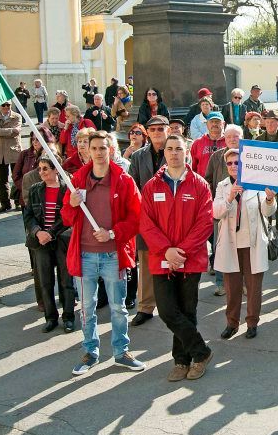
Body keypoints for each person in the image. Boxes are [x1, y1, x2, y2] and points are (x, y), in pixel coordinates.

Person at [62, 131, 145, 375]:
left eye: (103, 148)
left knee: (118, 307)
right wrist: (72, 204)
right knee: (87, 308)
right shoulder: (78, 180)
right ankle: (90, 352)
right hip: (84, 256)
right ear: (87, 151)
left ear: (111, 150)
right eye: (94, 148)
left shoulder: (124, 181)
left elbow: (136, 218)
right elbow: (66, 218)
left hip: (112, 256)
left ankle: (121, 352)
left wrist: (112, 233)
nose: (98, 152)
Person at [139, 135, 216, 381]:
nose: (174, 153)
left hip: (189, 258)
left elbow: (205, 223)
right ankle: (201, 351)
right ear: (164, 153)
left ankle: (183, 361)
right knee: (167, 311)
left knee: (187, 310)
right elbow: (146, 223)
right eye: (170, 149)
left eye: (178, 149)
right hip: (161, 258)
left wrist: (181, 251)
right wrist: (166, 250)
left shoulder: (200, 185)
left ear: (187, 153)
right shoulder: (152, 186)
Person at [212, 149, 276, 339]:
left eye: (237, 163)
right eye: (229, 163)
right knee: (232, 289)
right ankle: (232, 323)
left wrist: (270, 199)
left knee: (254, 288)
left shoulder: (257, 184)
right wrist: (230, 197)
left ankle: (252, 323)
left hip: (252, 244)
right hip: (230, 245)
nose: (233, 166)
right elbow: (216, 213)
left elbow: (267, 212)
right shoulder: (223, 186)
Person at [126, 115, 170, 326]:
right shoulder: (137, 156)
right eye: (152, 129)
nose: (157, 132)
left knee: (170, 261)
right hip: (146, 217)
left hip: (170, 217)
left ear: (168, 130)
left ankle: (170, 306)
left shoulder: (176, 151)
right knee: (145, 264)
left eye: (161, 129)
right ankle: (145, 307)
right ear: (148, 133)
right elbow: (132, 187)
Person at [23, 156, 75, 333]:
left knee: (66, 281)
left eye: (45, 168)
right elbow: (28, 215)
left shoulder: (67, 188)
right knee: (45, 282)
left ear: (55, 169)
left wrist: (51, 233)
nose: (41, 172)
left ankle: (68, 317)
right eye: (39, 169)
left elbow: (68, 216)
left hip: (61, 240)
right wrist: (38, 232)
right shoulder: (35, 189)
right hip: (41, 242)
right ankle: (50, 318)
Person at [0, 102, 22, 213]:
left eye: (8, 105)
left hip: (13, 151)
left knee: (16, 178)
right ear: (0, 106)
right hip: (0, 152)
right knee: (2, 180)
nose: (6, 107)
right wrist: (9, 131)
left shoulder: (17, 116)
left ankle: (18, 202)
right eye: (4, 105)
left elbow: (17, 131)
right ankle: (5, 204)